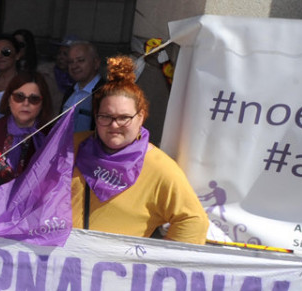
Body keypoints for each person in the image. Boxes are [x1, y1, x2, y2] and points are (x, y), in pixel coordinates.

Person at [72, 56, 208, 244]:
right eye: (106, 116)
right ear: (95, 116)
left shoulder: (159, 167)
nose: (114, 125)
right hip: (63, 266)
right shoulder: (73, 147)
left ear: (141, 117)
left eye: (124, 117)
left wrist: (154, 265)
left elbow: (194, 222)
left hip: (115, 271)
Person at [0, 72, 54, 185]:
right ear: (9, 99)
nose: (26, 103)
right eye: (19, 97)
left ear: (42, 104)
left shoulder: (50, 135)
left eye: (34, 99)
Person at [62, 40, 103, 132]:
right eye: (70, 62)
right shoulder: (70, 92)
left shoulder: (105, 92)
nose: (74, 66)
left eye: (80, 60)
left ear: (96, 63)